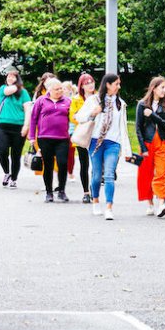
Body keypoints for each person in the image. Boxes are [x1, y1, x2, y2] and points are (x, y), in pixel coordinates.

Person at [75, 73, 132, 220]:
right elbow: (79, 117)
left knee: (108, 175)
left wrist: (126, 149)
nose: (119, 87)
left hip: (113, 143)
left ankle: (109, 207)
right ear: (108, 84)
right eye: (116, 84)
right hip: (96, 142)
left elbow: (123, 128)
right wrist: (93, 113)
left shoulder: (121, 103)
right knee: (95, 176)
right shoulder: (93, 100)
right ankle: (95, 201)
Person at [29, 78, 72, 203]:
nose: (60, 91)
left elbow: (74, 117)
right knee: (48, 165)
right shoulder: (41, 101)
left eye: (61, 88)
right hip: (45, 138)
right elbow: (33, 119)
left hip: (62, 138)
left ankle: (62, 190)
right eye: (57, 89)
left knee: (63, 163)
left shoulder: (67, 101)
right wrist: (32, 137)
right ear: (49, 89)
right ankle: (49, 192)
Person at [135, 76, 165, 217]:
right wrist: (143, 148)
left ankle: (161, 204)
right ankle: (150, 203)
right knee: (146, 174)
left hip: (163, 143)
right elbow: (138, 128)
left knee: (161, 174)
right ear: (154, 88)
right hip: (147, 143)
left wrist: (153, 115)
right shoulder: (142, 104)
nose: (164, 90)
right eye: (162, 87)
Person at [0, 68, 31, 188]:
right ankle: (7, 173)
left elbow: (28, 109)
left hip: (18, 127)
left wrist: (26, 126)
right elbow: (8, 91)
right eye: (8, 76)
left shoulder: (24, 93)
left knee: (16, 155)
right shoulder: (3, 89)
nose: (10, 78)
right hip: (4, 126)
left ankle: (14, 178)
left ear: (17, 78)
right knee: (2, 151)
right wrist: (18, 85)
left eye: (13, 76)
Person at [70, 73, 96, 203]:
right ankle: (86, 191)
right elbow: (73, 117)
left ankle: (94, 188)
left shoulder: (98, 98)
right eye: (87, 83)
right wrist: (86, 116)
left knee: (96, 164)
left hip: (96, 134)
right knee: (84, 164)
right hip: (82, 134)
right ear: (82, 86)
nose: (90, 84)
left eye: (91, 82)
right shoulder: (76, 99)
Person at [62, 80, 77, 183]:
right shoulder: (59, 100)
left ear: (70, 90)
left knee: (70, 153)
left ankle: (70, 172)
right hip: (61, 131)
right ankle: (62, 171)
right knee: (61, 153)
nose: (63, 91)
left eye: (65, 89)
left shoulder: (73, 101)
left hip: (72, 130)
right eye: (61, 88)